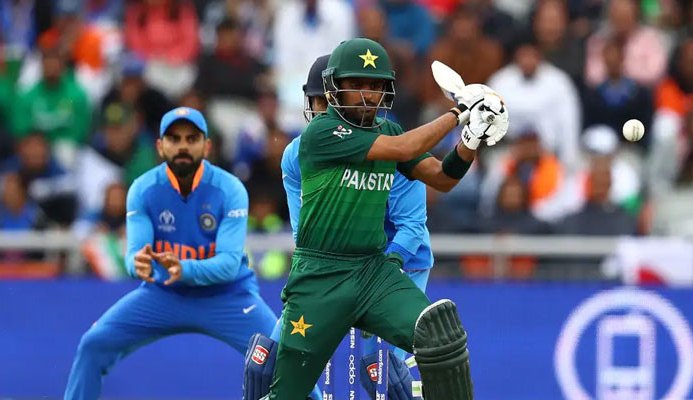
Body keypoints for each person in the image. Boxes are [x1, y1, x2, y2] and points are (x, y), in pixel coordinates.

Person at [260, 37, 508, 400]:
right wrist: (459, 113)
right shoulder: (322, 132)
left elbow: (442, 177)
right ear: (334, 88)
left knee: (441, 337)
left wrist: (470, 139)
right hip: (320, 277)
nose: (367, 95)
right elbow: (406, 148)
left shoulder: (388, 129)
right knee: (286, 393)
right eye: (356, 84)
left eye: (375, 86)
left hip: (372, 271)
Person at [64, 107, 277, 399]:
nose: (182, 146)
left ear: (207, 146)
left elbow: (229, 264)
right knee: (93, 344)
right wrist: (136, 264)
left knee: (282, 358)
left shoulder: (230, 189)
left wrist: (184, 269)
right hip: (164, 293)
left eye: (191, 139)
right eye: (174, 139)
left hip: (227, 295)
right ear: (160, 146)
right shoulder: (143, 189)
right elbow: (135, 254)